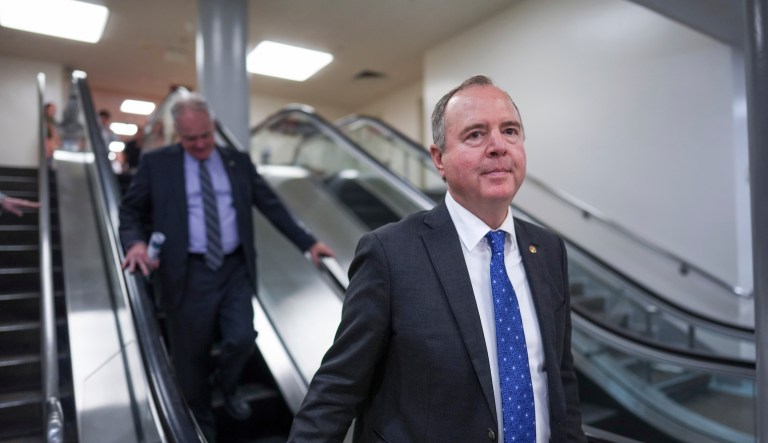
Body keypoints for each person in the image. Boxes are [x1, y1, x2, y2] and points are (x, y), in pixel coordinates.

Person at [288, 75, 586, 442]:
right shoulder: (390, 254)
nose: (498, 146)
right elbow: (337, 389)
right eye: (475, 134)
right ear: (439, 159)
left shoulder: (549, 251)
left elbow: (560, 378)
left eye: (510, 131)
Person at [119, 94, 334, 442]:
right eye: (191, 139)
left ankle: (227, 384)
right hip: (186, 271)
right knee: (191, 360)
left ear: (213, 128)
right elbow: (130, 211)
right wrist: (136, 243)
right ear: (178, 135)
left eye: (206, 135)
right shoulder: (157, 164)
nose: (201, 144)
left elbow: (270, 204)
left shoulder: (237, 161)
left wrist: (307, 242)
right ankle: (201, 425)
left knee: (242, 337)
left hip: (234, 267)